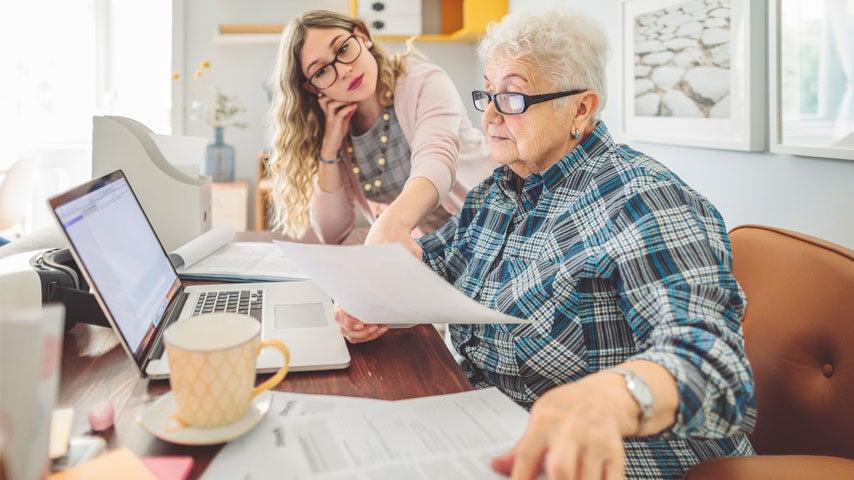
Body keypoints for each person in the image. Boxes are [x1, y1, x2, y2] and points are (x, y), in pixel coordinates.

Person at [335, 8, 757, 479]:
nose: (490, 115)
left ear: (581, 108)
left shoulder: (646, 199)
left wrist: (613, 397)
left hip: (618, 459)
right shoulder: (499, 191)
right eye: (488, 94)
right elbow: (435, 262)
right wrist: (373, 297)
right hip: (486, 431)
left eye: (513, 96)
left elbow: (716, 366)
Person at [268, 10, 493, 248]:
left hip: (493, 224)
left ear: (362, 35)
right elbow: (331, 234)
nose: (344, 71)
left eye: (343, 49)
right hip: (442, 252)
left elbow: (436, 161)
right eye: (321, 71)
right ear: (314, 89)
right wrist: (330, 149)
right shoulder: (341, 130)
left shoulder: (424, 81)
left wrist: (389, 225)